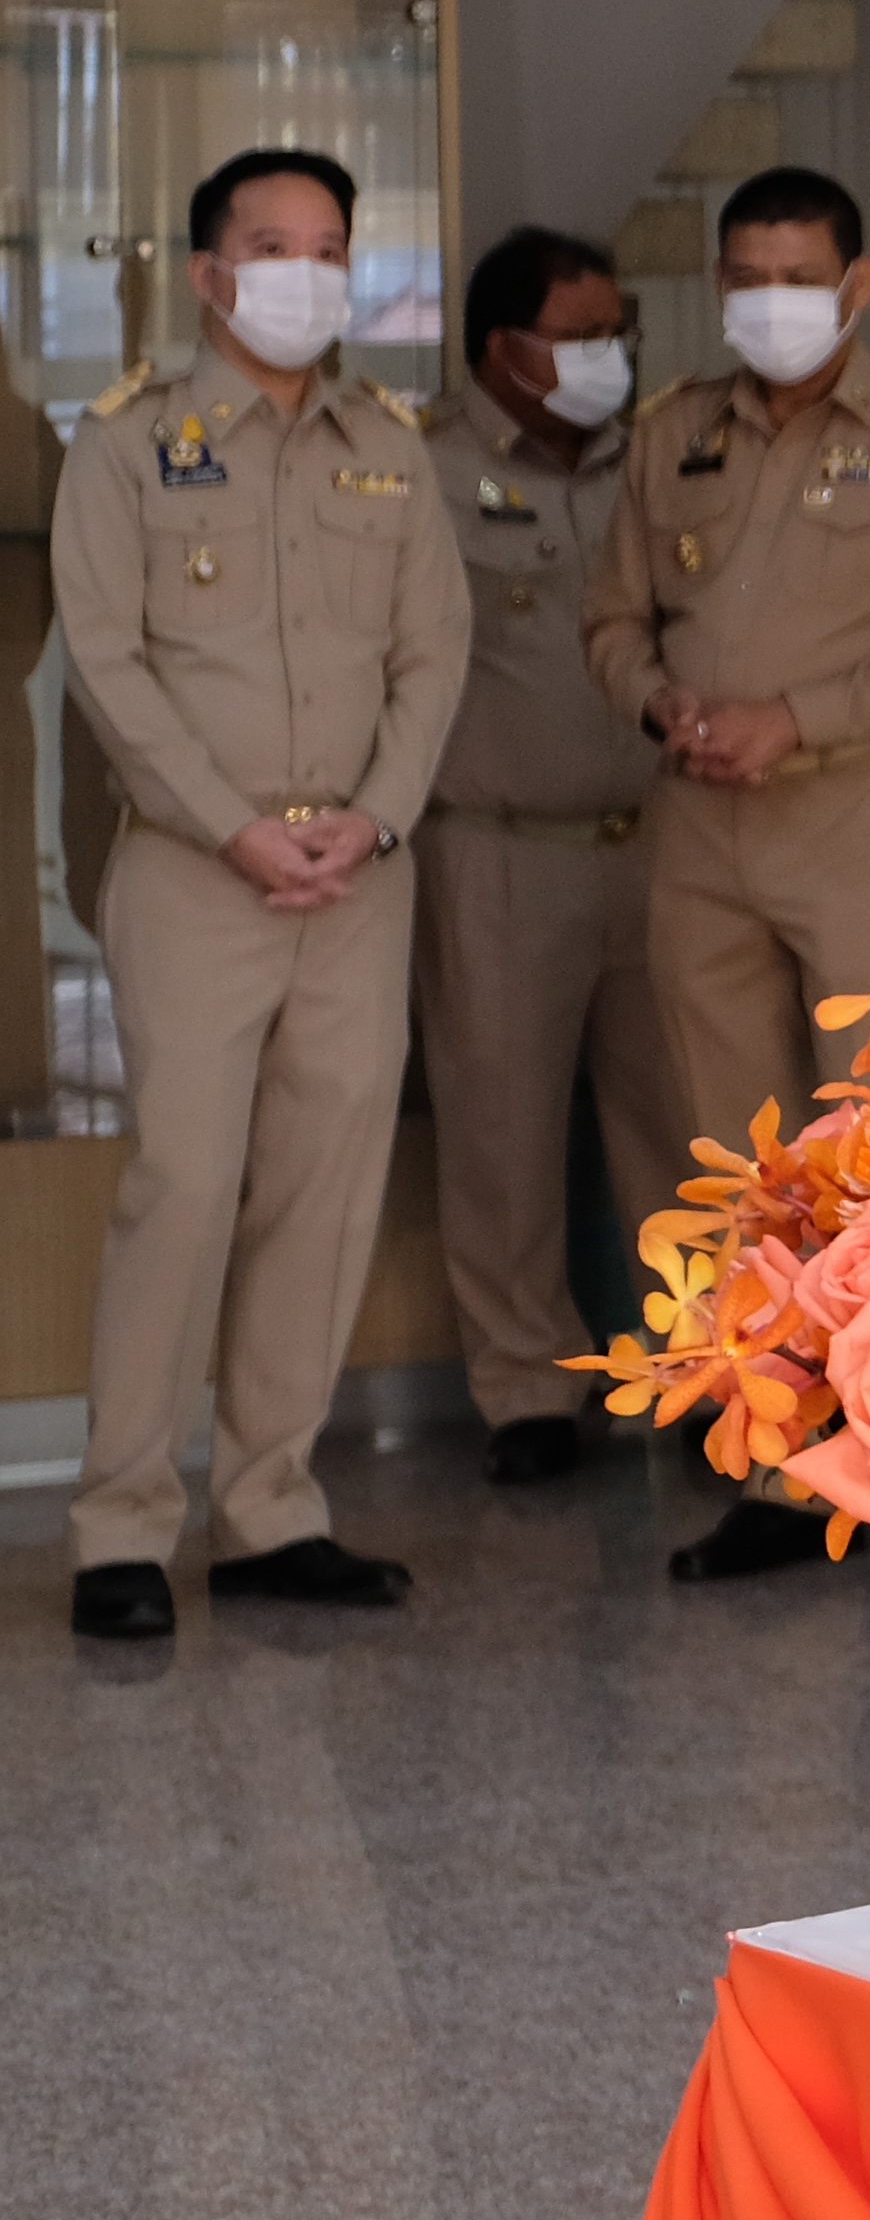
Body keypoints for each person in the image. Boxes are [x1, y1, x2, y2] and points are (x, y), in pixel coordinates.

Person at [53, 147, 470, 1638]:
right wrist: (233, 825)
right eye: (276, 247)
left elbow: (433, 651)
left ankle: (270, 1507)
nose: (310, 274)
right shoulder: (128, 443)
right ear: (210, 275)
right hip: (195, 872)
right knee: (180, 1186)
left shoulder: (390, 448)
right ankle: (119, 1527)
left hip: (357, 876)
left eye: (331, 249)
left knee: (323, 1189)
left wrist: (379, 816)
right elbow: (104, 658)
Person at [587, 164, 870, 1582]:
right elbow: (612, 617)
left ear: (857, 285)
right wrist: (659, 700)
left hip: (851, 823)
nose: (770, 305)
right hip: (697, 828)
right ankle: (778, 1474)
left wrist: (799, 720)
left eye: (798, 279)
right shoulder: (674, 432)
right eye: (747, 280)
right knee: (736, 1168)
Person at [414, 222, 682, 1488]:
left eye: (616, 333)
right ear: (501, 349)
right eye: (579, 337)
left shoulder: (661, 462)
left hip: (660, 840)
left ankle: (704, 1378)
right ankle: (525, 1385)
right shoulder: (424, 471)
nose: (607, 358)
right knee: (502, 1135)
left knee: (682, 1131)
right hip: (500, 851)